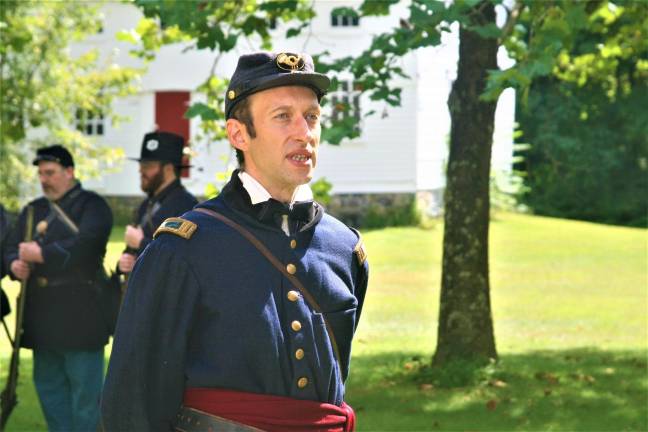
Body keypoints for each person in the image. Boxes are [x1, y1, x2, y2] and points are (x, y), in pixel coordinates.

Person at [101, 51, 369, 431]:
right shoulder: (182, 249)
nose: (304, 132)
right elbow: (132, 403)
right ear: (238, 134)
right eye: (282, 117)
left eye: (311, 116)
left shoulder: (345, 249)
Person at [4, 145, 113, 431]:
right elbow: (9, 250)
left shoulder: (93, 206)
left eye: (50, 173)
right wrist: (15, 264)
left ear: (69, 172)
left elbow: (87, 245)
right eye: (40, 173)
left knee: (86, 398)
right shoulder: (33, 210)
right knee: (51, 391)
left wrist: (41, 255)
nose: (44, 179)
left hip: (81, 312)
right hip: (42, 314)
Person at [116, 131, 198, 276]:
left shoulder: (186, 205)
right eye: (142, 164)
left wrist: (141, 243)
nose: (141, 170)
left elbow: (182, 259)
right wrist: (123, 262)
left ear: (168, 169)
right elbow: (132, 252)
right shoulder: (146, 205)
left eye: (148, 165)